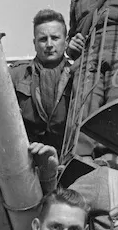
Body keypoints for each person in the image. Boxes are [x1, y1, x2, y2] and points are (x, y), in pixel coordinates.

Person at [9, 9, 73, 154]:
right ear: (34, 43)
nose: (49, 44)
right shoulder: (16, 75)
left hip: (65, 159)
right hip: (27, 157)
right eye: (43, 39)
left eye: (55, 38)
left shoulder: (78, 76)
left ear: (66, 41)